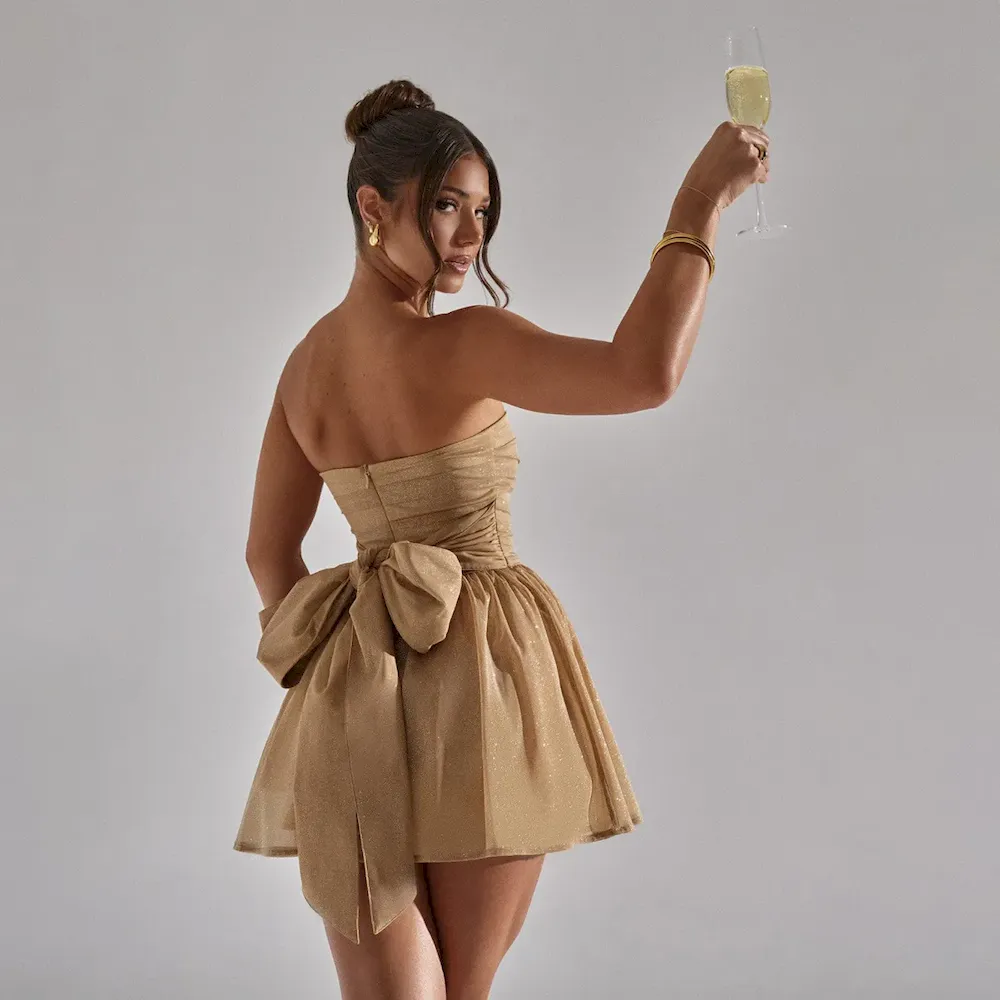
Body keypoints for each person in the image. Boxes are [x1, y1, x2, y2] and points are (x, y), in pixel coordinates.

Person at [235, 79, 770, 1000]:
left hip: (354, 696)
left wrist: (334, 669)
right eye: (447, 205)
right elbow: (643, 374)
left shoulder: (304, 367)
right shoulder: (465, 343)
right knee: (464, 988)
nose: (471, 235)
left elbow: (265, 556)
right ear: (373, 208)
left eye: (481, 211)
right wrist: (699, 204)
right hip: (481, 677)